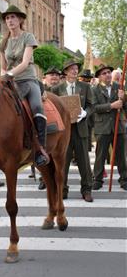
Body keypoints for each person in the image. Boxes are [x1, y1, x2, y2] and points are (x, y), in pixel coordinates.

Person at [0, 5, 49, 167]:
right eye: (7, 18)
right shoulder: (3, 42)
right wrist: (3, 77)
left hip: (28, 80)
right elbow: (2, 67)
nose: (10, 21)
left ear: (20, 20)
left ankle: (40, 149)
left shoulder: (28, 37)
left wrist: (8, 75)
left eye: (13, 17)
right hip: (9, 81)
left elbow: (26, 63)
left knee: (36, 108)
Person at [52, 60, 94, 202]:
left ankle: (87, 189)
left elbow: (91, 106)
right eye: (71, 69)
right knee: (63, 161)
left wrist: (85, 113)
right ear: (65, 72)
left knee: (84, 162)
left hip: (80, 129)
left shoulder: (85, 87)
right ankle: (62, 189)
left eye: (76, 69)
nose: (75, 71)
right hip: (64, 131)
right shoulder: (57, 89)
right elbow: (53, 108)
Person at [92, 64, 127, 191]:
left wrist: (124, 99)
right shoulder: (94, 90)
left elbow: (125, 107)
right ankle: (97, 179)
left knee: (121, 155)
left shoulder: (120, 87)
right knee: (100, 155)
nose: (107, 74)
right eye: (104, 73)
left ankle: (124, 179)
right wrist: (111, 105)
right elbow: (94, 108)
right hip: (102, 127)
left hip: (119, 126)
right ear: (99, 77)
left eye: (108, 72)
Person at [38, 66, 61, 190]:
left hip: (61, 126)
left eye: (57, 75)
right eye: (51, 75)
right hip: (46, 125)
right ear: (45, 77)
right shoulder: (40, 90)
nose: (54, 77)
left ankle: (59, 179)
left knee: (59, 155)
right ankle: (43, 179)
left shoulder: (62, 90)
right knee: (44, 153)